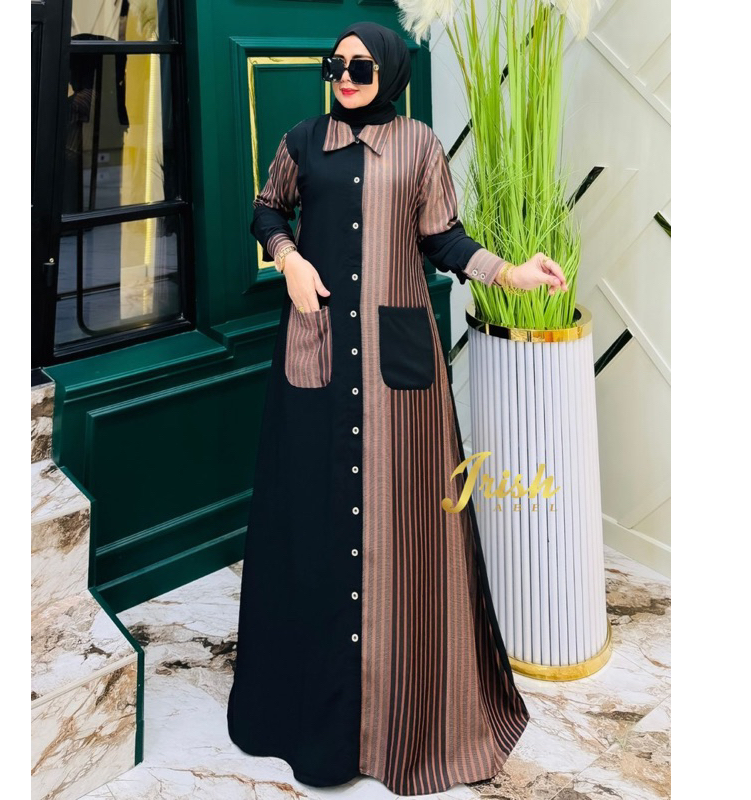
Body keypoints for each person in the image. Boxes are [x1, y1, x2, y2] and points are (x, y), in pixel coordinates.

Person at [227, 20, 566, 796]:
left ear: (391, 71)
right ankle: (311, 717)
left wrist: (510, 274)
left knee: (406, 531)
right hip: (316, 353)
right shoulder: (302, 140)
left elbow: (443, 241)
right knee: (311, 516)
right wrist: (288, 259)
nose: (344, 78)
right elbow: (266, 209)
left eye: (360, 67)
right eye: (335, 66)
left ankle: (405, 712)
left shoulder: (419, 146)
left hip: (398, 370)